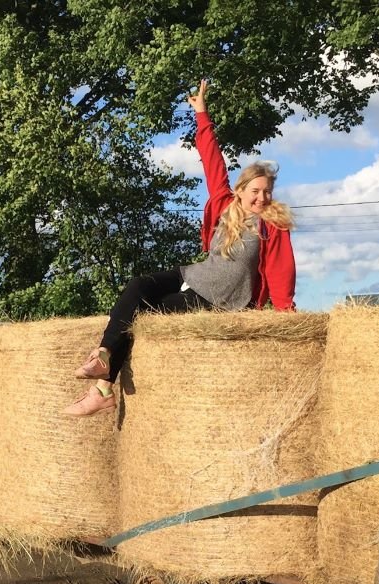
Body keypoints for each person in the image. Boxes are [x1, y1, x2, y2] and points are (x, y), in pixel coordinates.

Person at [64, 79, 297, 417]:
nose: (262, 197)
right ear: (242, 189)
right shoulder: (223, 205)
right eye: (256, 190)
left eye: (267, 191)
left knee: (143, 315)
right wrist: (201, 114)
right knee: (138, 287)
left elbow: (281, 269)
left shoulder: (272, 225)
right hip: (195, 274)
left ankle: (101, 389)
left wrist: (285, 315)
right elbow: (211, 161)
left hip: (220, 299)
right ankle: (101, 355)